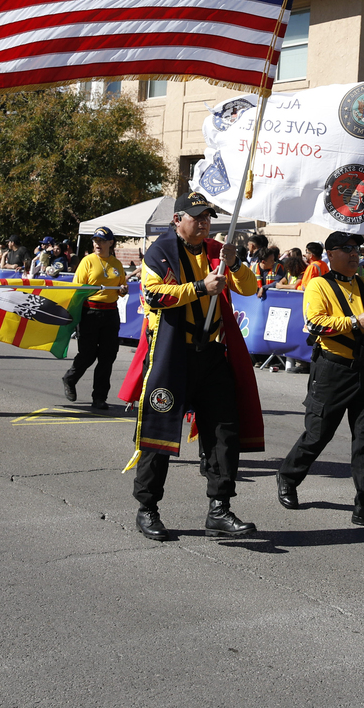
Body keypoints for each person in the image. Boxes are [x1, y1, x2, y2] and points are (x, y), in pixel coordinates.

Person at [127, 191, 262, 542]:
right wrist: (201, 287)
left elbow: (249, 288)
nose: (204, 223)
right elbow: (154, 295)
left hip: (212, 354)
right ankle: (147, 508)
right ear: (177, 220)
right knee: (159, 429)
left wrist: (234, 264)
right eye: (196, 216)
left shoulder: (217, 251)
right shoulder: (160, 252)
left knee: (223, 431)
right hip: (172, 354)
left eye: (207, 217)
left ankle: (219, 508)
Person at [277, 230, 364, 529]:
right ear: (331, 254)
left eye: (356, 249)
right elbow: (315, 323)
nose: (354, 254)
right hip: (333, 369)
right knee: (318, 434)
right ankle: (288, 476)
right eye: (346, 249)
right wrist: (355, 321)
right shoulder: (318, 284)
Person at [62, 226, 128, 410]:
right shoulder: (87, 261)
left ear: (110, 243)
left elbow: (122, 287)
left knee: (107, 357)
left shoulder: (116, 264)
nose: (98, 244)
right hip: (90, 312)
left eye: (102, 241)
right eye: (95, 241)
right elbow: (77, 288)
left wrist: (123, 290)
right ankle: (70, 378)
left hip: (110, 313)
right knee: (88, 354)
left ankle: (99, 397)